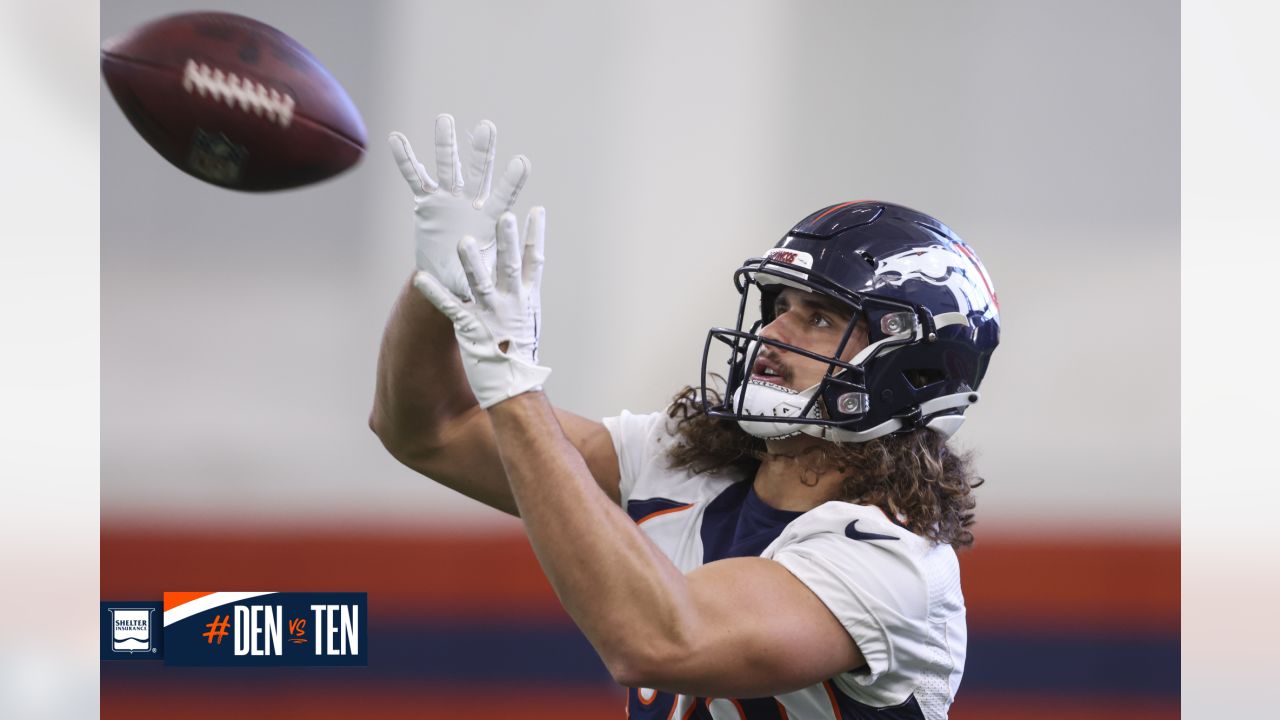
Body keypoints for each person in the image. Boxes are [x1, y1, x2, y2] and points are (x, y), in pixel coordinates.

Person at [371, 115, 1001, 720]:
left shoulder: (895, 563)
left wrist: (514, 387)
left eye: (819, 318)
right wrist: (440, 286)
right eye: (778, 305)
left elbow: (661, 639)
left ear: (911, 369)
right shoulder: (679, 460)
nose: (772, 332)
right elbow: (429, 431)